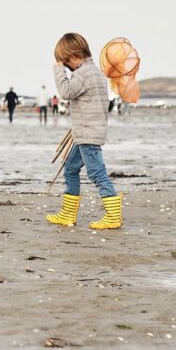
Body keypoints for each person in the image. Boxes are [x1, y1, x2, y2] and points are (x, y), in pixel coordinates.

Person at [46, 32, 121, 230]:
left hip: (88, 134)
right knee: (70, 169)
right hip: (86, 131)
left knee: (97, 173)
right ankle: (68, 214)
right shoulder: (96, 72)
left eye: (64, 62)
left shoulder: (83, 73)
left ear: (72, 57)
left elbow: (66, 92)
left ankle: (113, 216)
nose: (66, 67)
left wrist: (58, 70)